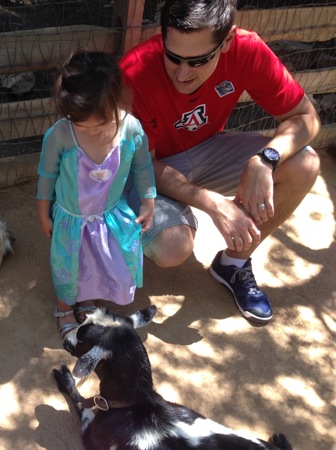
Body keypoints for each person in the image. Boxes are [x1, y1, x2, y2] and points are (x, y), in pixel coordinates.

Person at [119, 0, 321, 324]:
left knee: (305, 164)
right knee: (172, 247)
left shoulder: (247, 49)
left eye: (198, 60)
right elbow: (143, 165)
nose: (183, 74)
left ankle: (233, 264)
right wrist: (213, 204)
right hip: (148, 167)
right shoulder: (136, 70)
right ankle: (113, 234)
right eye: (174, 57)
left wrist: (265, 160)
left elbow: (306, 118)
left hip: (208, 148)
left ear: (226, 42)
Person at [36, 51, 156, 338]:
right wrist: (43, 212)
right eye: (80, 124)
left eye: (99, 124)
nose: (90, 130)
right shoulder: (60, 135)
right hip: (70, 220)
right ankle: (65, 305)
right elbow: (47, 175)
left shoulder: (131, 129)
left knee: (99, 261)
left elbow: (142, 165)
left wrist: (148, 201)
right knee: (68, 265)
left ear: (117, 102)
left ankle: (88, 299)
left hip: (108, 216)